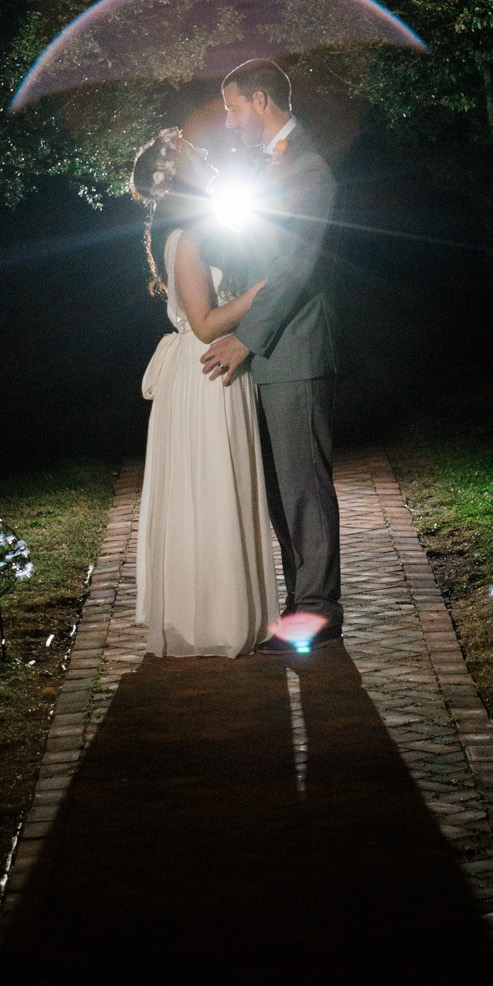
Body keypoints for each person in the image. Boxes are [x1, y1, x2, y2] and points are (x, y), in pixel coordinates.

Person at [200, 60, 341, 654]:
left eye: (232, 108)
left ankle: (316, 611)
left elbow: (294, 267)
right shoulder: (267, 165)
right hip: (269, 350)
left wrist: (243, 337)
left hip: (294, 345)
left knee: (303, 486)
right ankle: (294, 602)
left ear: (260, 100)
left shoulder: (308, 166)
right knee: (279, 491)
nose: (229, 121)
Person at [130, 127, 278, 657]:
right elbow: (206, 322)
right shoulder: (187, 240)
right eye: (197, 157)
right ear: (175, 180)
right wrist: (266, 288)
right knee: (210, 485)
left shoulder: (204, 233)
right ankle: (211, 619)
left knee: (226, 482)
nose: (208, 160)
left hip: (217, 375)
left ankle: (232, 610)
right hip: (206, 372)